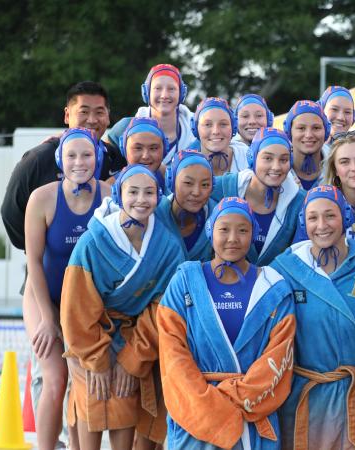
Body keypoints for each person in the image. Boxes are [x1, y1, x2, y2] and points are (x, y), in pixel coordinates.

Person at [60, 164, 184, 450]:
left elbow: (163, 307)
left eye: (149, 193)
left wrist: (133, 357)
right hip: (89, 336)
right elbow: (76, 306)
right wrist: (96, 359)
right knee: (93, 392)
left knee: (126, 399)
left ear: (159, 195)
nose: (141, 199)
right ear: (118, 194)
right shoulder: (93, 241)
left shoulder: (167, 245)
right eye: (133, 192)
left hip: (136, 336)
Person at [157, 197, 296, 449]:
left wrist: (228, 400)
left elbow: (277, 361)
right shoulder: (184, 282)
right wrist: (208, 408)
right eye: (224, 229)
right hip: (196, 420)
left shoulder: (273, 288)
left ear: (253, 233)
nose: (233, 238)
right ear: (211, 231)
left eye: (243, 230)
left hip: (253, 420)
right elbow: (173, 357)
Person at [271, 185, 355, 449]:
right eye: (312, 217)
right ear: (303, 221)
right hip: (304, 397)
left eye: (330, 216)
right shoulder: (284, 271)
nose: (321, 225)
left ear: (345, 217)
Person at [23, 128, 111, 450]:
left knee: (83, 381)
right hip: (42, 296)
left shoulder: (109, 196)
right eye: (71, 155)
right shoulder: (42, 198)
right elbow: (32, 262)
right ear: (61, 159)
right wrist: (48, 319)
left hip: (83, 306)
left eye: (87, 154)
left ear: (98, 158)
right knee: (55, 378)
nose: (79, 162)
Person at [2, 80, 124, 252]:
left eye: (99, 112)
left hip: (99, 274)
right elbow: (11, 213)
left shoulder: (116, 159)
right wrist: (41, 245)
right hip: (49, 270)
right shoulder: (39, 159)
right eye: (84, 111)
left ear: (108, 116)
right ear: (67, 115)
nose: (92, 119)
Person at [213, 127, 305, 265]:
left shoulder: (300, 203)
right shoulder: (222, 187)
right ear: (252, 157)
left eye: (284, 160)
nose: (276, 167)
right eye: (268, 158)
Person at [105, 64, 195, 165]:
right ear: (146, 92)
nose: (164, 95)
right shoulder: (124, 128)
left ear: (181, 93)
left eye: (171, 89)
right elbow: (104, 169)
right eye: (158, 88)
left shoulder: (198, 132)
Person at [156, 149, 216, 261]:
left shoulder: (217, 219)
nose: (196, 192)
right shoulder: (154, 216)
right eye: (188, 183)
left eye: (205, 185)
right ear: (171, 182)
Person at [192, 97, 248, 176]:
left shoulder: (249, 159)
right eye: (207, 124)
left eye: (223, 124)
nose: (216, 131)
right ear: (195, 129)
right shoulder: (185, 167)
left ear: (233, 127)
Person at [283, 100, 330, 191]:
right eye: (301, 128)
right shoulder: (275, 171)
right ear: (289, 132)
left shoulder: (338, 168)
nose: (309, 135)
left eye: (316, 128)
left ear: (326, 131)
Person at [113, 117, 169, 190]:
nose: (145, 156)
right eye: (138, 148)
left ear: (164, 150)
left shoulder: (172, 181)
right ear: (124, 149)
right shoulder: (109, 188)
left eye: (153, 148)